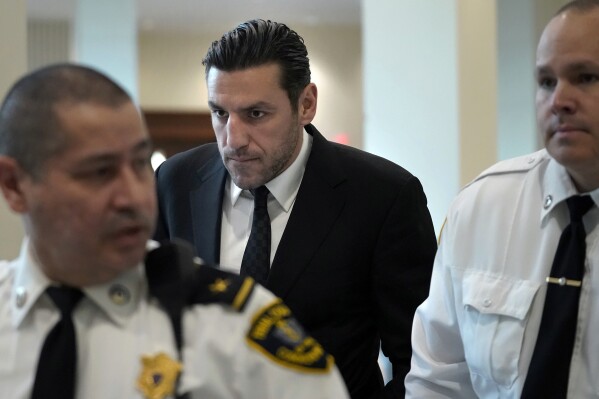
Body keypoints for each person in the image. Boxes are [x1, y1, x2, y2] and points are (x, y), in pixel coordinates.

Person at [0, 63, 350, 399]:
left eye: (140, 163)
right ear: (14, 186)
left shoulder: (232, 327)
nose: (134, 196)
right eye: (100, 173)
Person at [154, 19, 437, 399]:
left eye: (256, 114)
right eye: (220, 113)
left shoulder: (384, 197)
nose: (232, 140)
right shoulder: (176, 181)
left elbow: (420, 363)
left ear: (306, 104)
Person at [405, 1, 599, 397]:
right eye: (546, 81)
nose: (559, 100)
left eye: (586, 77)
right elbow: (437, 381)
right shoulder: (482, 207)